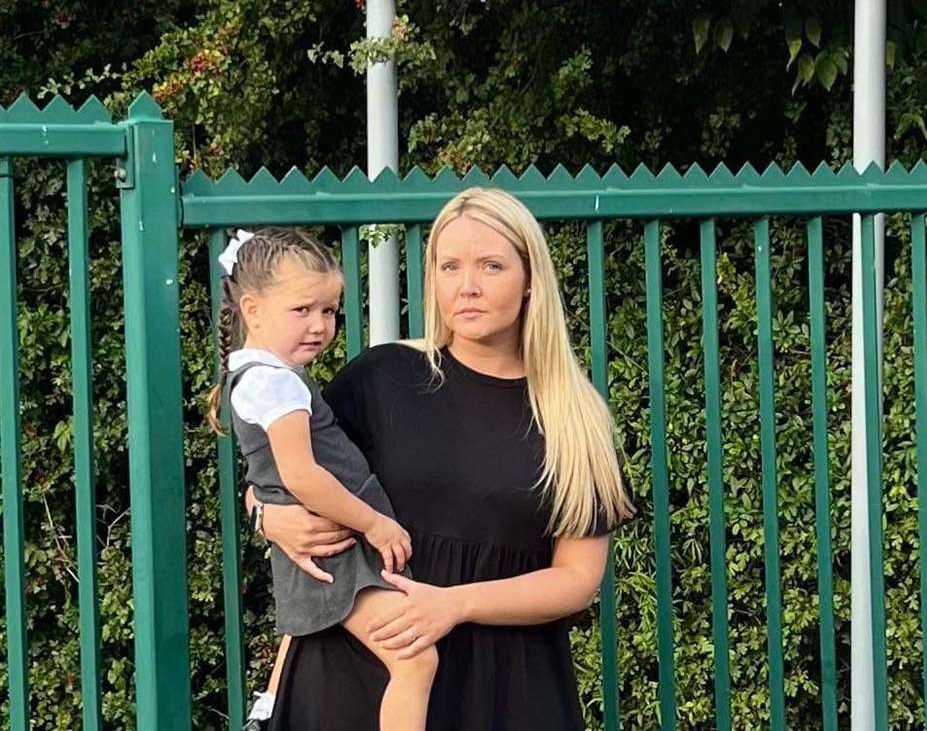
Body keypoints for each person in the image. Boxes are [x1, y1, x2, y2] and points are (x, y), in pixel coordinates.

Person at [260, 187, 635, 731]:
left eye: (491, 265)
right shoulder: (381, 378)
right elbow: (278, 475)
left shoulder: (576, 419)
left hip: (504, 691)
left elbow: (577, 578)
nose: (468, 287)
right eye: (450, 265)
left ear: (531, 279)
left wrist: (453, 604)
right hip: (355, 673)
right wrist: (268, 516)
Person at [207, 228, 437, 731]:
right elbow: (303, 477)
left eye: (329, 311)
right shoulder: (273, 383)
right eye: (302, 310)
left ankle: (267, 709)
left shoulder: (268, 376)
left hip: (335, 549)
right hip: (338, 553)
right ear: (252, 309)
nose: (320, 325)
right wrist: (374, 524)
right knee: (414, 658)